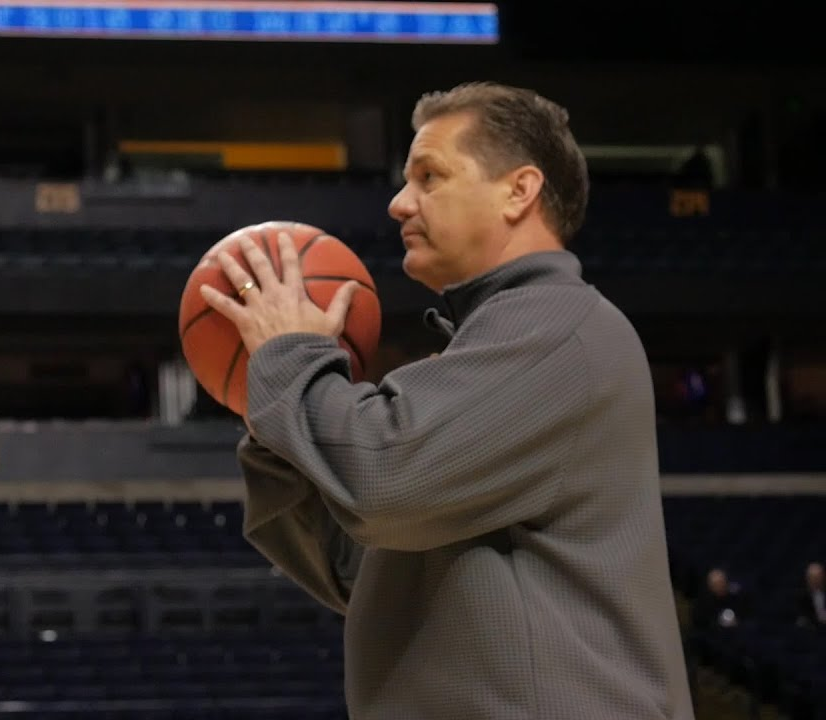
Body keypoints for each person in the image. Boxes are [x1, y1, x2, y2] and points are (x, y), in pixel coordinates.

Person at [200, 81, 694, 719]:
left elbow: (382, 484)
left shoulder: (554, 327)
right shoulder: (489, 347)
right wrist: (272, 412)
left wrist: (291, 361)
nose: (399, 203)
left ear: (520, 190)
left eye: (429, 177)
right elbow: (360, 568)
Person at [796, 561, 826, 629]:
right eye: (813, 578)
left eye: (818, 577)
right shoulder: (801, 596)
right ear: (808, 578)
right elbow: (801, 617)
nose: (816, 580)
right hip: (811, 629)